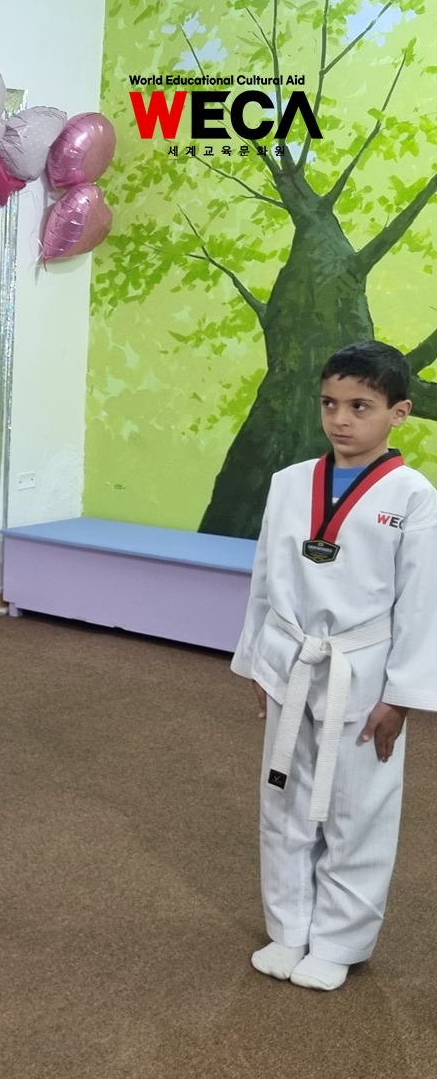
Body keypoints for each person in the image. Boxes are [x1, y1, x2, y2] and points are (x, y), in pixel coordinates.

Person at [234, 340, 437, 992]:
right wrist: (260, 662)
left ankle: (340, 940)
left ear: (399, 412)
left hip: (364, 669)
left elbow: (422, 605)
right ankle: (288, 927)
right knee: (284, 797)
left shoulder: (414, 497)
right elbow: (265, 580)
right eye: (329, 404)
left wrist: (401, 696)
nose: (340, 419)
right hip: (292, 658)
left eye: (360, 406)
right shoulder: (290, 483)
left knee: (356, 807)